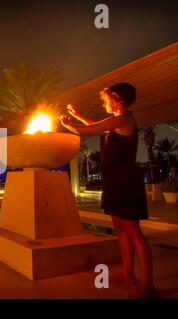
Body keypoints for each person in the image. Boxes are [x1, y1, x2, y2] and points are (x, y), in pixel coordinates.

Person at [59, 82, 155, 299]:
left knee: (134, 234)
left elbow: (88, 130)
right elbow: (97, 124)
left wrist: (68, 123)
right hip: (114, 182)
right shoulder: (117, 120)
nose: (103, 102)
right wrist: (78, 115)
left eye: (105, 99)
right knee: (121, 231)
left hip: (126, 183)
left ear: (117, 100)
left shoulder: (123, 119)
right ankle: (128, 274)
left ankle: (148, 285)